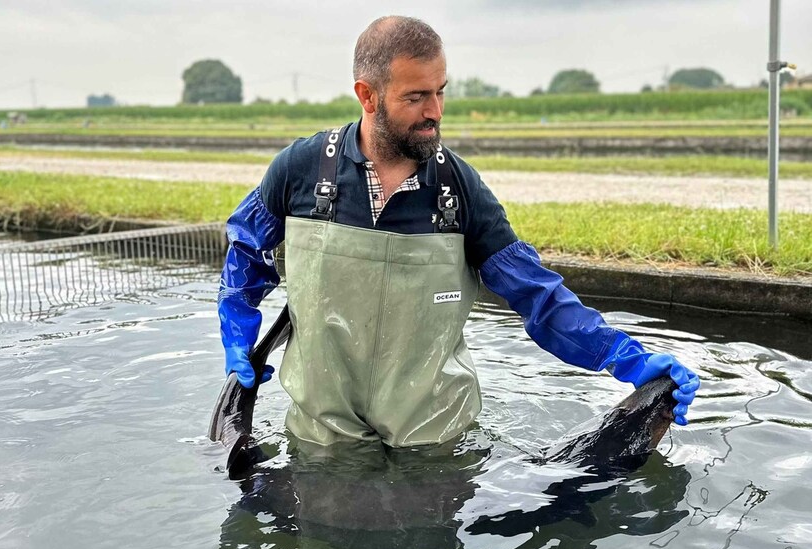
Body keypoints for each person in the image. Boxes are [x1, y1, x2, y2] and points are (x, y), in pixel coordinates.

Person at [218, 15, 699, 448]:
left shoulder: (460, 190)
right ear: (367, 95)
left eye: (440, 91)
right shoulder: (299, 170)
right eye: (416, 97)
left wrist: (624, 356)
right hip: (322, 442)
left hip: (434, 443)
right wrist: (237, 327)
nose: (436, 111)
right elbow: (246, 248)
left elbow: (539, 297)